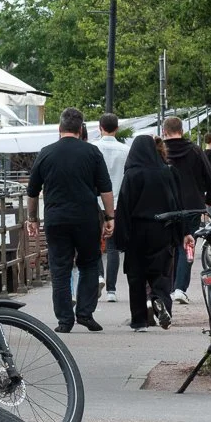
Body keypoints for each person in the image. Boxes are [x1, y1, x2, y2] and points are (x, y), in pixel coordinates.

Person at [27, 108, 115, 333]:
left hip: (56, 219)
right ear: (81, 129)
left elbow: (32, 191)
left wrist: (32, 219)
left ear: (60, 128)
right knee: (89, 264)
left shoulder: (46, 153)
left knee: (60, 269)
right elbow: (106, 189)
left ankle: (64, 320)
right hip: (86, 219)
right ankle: (85, 313)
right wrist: (109, 217)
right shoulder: (92, 152)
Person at [114, 135, 182, 331]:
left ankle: (139, 321)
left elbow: (124, 207)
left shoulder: (132, 175)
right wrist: (180, 232)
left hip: (136, 230)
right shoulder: (167, 172)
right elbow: (177, 203)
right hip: (162, 228)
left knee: (136, 275)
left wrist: (121, 237)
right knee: (161, 273)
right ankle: (160, 300)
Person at [161, 116, 211, 305]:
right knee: (188, 245)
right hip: (193, 204)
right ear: (182, 130)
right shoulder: (195, 150)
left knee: (169, 245)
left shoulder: (161, 151)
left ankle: (167, 286)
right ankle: (180, 288)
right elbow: (210, 177)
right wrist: (207, 201)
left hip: (167, 205)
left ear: (164, 131)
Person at [92, 113, 129, 304]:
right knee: (113, 247)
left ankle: (99, 275)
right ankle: (111, 290)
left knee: (94, 242)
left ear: (100, 128)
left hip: (96, 201)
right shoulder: (126, 150)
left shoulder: (93, 149)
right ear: (117, 128)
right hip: (118, 203)